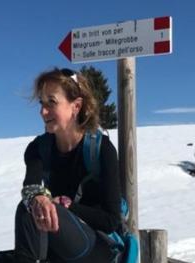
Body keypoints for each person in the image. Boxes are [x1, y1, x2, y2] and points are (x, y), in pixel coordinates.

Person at [14, 67, 122, 263]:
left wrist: (68, 206)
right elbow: (31, 186)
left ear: (76, 106)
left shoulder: (101, 149)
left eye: (51, 102)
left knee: (29, 209)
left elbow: (111, 221)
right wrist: (38, 197)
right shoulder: (38, 148)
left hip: (98, 248)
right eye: (42, 103)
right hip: (55, 247)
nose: (43, 111)